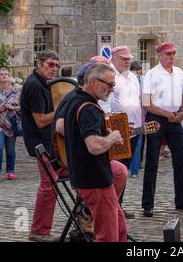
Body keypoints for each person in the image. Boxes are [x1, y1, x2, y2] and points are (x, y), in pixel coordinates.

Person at [61, 63, 127, 241]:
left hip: (87, 176)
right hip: (94, 179)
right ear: (92, 81)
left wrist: (105, 135)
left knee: (118, 227)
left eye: (113, 85)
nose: (112, 89)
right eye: (109, 84)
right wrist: (112, 137)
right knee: (107, 236)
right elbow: (94, 146)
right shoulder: (88, 107)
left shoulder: (75, 100)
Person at [141, 42, 183, 217]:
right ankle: (148, 204)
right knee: (152, 161)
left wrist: (182, 111)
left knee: (181, 160)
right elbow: (147, 103)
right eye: (168, 54)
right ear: (160, 55)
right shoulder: (151, 74)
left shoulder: (179, 73)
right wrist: (166, 113)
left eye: (173, 54)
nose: (171, 57)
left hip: (175, 118)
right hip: (156, 119)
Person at [20, 50, 60, 242]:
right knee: (49, 185)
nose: (54, 69)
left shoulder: (42, 83)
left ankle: (84, 217)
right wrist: (61, 108)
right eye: (50, 65)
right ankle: (39, 231)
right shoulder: (35, 85)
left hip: (48, 142)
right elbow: (41, 121)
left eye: (56, 66)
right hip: (39, 143)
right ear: (39, 63)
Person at [109, 45, 141, 219]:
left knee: (125, 169)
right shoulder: (110, 74)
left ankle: (118, 205)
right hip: (116, 129)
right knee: (116, 169)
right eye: (123, 58)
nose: (127, 61)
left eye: (129, 58)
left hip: (134, 128)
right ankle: (111, 206)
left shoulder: (133, 77)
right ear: (114, 58)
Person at [0, 68, 21, 182]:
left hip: (12, 125)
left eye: (6, 74)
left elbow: (24, 108)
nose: (4, 76)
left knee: (10, 150)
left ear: (10, 77)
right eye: (2, 74)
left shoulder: (17, 91)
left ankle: (10, 171)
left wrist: (14, 108)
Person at [129, 60, 145, 175]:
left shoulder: (142, 80)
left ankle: (134, 168)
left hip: (140, 115)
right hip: (135, 116)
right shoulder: (132, 81)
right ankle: (132, 168)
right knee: (135, 143)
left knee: (137, 143)